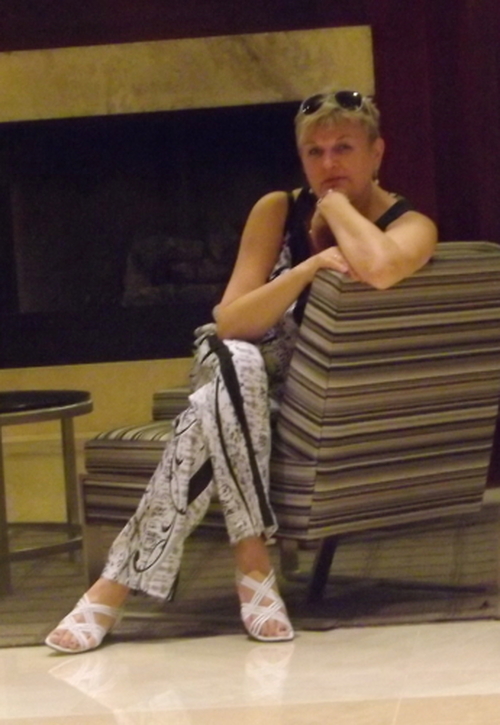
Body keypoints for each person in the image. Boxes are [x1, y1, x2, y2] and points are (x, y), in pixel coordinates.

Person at [45, 89, 437, 654]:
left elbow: (378, 268)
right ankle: (253, 564)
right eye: (315, 152)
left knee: (210, 412)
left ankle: (114, 586)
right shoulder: (276, 209)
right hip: (233, 359)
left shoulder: (411, 224)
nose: (328, 163)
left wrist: (335, 207)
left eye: (344, 148)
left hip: (298, 399)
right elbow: (230, 321)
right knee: (239, 364)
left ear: (377, 152)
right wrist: (305, 268)